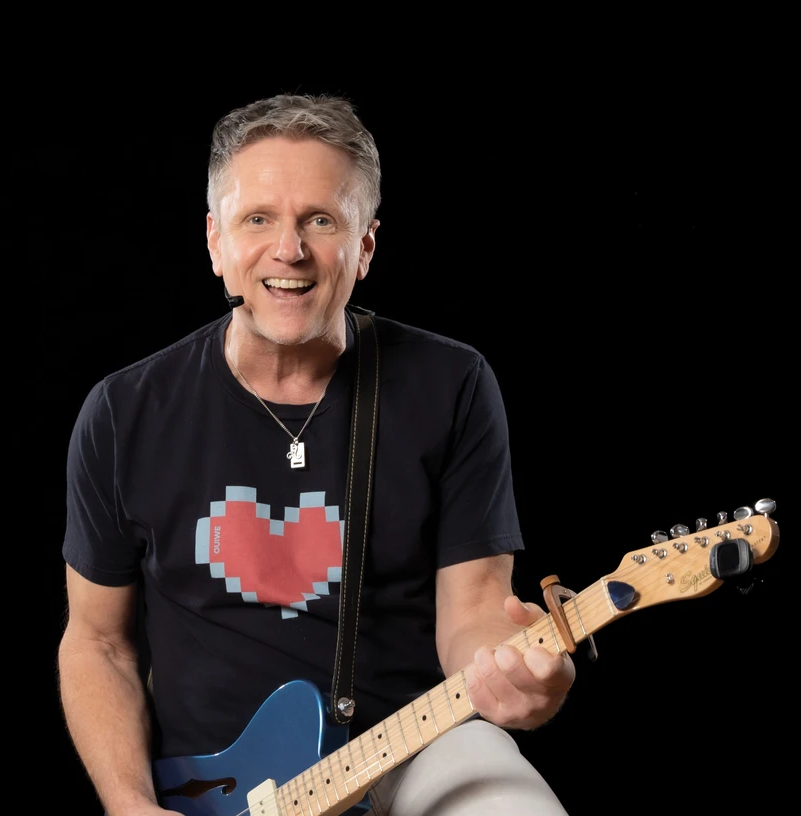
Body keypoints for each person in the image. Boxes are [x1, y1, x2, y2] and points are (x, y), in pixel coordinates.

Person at [57, 92, 576, 816]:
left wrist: (510, 673)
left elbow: (474, 615)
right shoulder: (124, 412)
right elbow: (98, 643)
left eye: (320, 220)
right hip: (215, 789)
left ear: (364, 247)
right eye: (257, 219)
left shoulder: (451, 385)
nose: (289, 250)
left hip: (409, 751)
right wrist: (130, 804)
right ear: (215, 241)